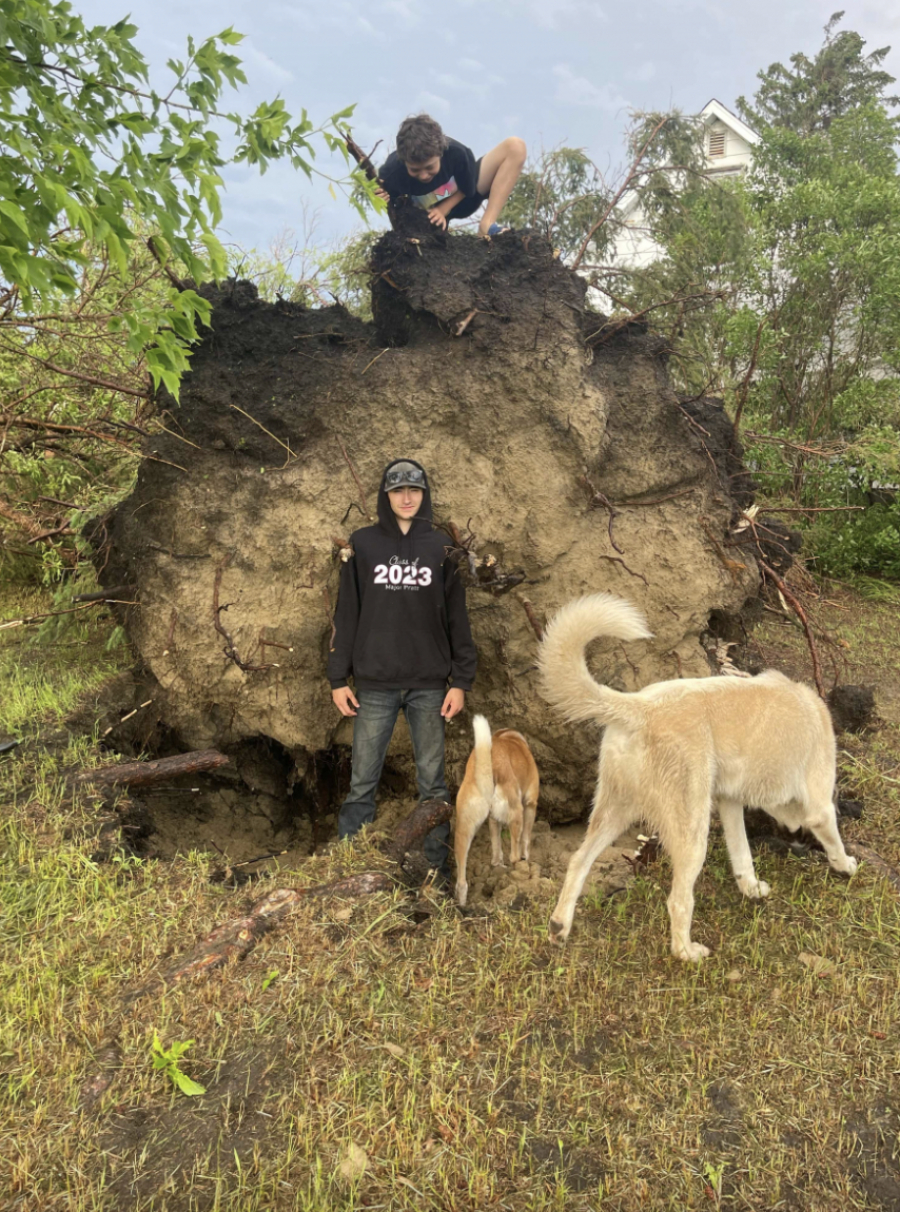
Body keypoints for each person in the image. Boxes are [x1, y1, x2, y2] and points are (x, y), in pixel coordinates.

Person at [328, 458, 477, 878]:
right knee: (362, 783)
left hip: (429, 685)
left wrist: (461, 681)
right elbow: (347, 613)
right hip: (374, 684)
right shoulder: (363, 544)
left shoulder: (441, 549)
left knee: (432, 783)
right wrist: (338, 677)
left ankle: (435, 871)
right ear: (386, 495)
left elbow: (458, 618)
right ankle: (349, 869)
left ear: (424, 494)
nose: (407, 498)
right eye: (398, 490)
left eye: (414, 490)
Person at [378, 114, 526, 237]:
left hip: (463, 199)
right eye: (415, 170)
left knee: (515, 146)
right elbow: (394, 210)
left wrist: (443, 209)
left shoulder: (457, 153)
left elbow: (469, 187)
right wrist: (382, 199)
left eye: (430, 167)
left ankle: (486, 226)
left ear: (441, 153)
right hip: (426, 220)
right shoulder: (391, 172)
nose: (423, 175)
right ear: (404, 162)